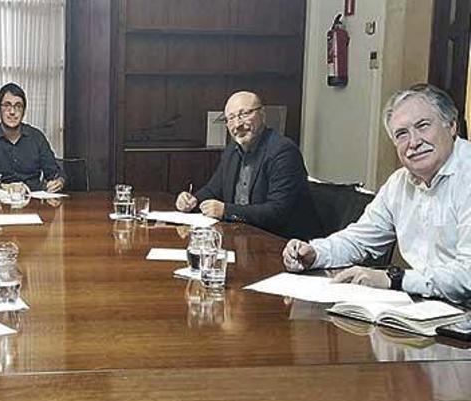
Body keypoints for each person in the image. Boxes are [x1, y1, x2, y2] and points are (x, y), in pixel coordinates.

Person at [283, 84, 471, 303]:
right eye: (402, 134)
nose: (414, 142)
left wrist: (394, 279)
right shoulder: (399, 183)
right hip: (431, 309)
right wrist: (314, 253)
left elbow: (467, 276)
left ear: (451, 126)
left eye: (423, 126)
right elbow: (359, 240)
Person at [174, 91, 320, 240]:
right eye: (231, 118)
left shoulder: (283, 152)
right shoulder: (233, 149)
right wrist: (192, 201)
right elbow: (213, 189)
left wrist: (226, 211)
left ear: (262, 114)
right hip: (243, 237)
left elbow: (278, 212)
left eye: (244, 114)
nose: (237, 124)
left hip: (281, 243)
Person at [0, 82, 66, 193]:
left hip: (33, 201)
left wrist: (59, 181)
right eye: (7, 105)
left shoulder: (37, 137)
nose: (12, 112)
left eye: (18, 106)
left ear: (24, 111)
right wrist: (6, 187)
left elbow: (55, 172)